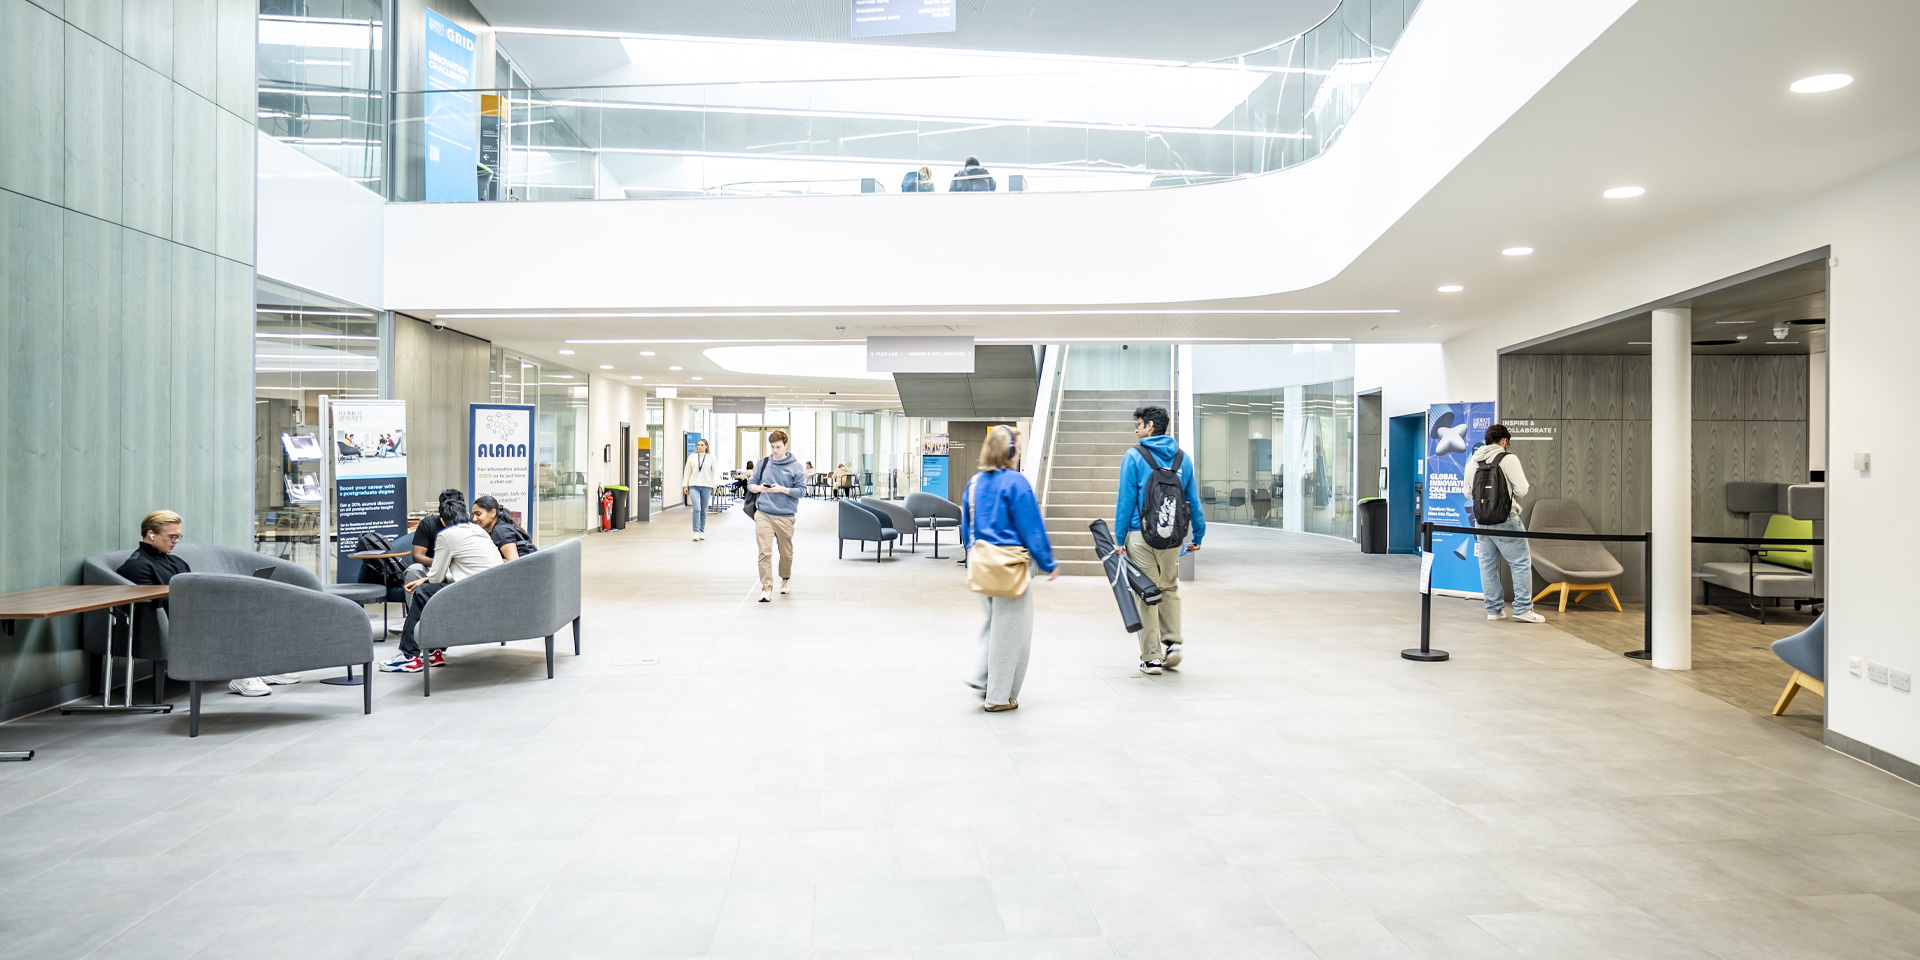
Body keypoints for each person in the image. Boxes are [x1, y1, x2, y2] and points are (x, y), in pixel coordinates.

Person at [117, 510, 297, 697]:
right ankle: (241, 674)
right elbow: (151, 605)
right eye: (171, 536)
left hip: (193, 614)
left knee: (249, 607)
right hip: (176, 622)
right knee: (234, 616)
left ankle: (260, 666)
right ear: (151, 534)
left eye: (178, 536)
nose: (176, 541)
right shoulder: (137, 566)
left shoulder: (176, 561)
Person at [960, 426, 1057, 711]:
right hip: (1010, 568)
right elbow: (1031, 527)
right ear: (1010, 451)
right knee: (1013, 635)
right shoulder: (1017, 482)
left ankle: (981, 676)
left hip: (981, 564)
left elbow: (966, 527)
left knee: (994, 625)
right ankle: (998, 697)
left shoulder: (975, 482)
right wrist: (1048, 561)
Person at [1114, 405, 1206, 675]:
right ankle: (1174, 644)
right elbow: (1193, 501)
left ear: (1150, 426)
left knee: (1147, 593)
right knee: (1168, 588)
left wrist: (1119, 538)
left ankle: (1152, 657)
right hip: (1172, 537)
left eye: (1139, 424)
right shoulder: (1182, 459)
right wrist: (1198, 533)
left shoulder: (1134, 456)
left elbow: (1125, 500)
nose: (1136, 429)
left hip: (1140, 535)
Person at [382, 490, 503, 673]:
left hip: (472, 591)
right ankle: (432, 650)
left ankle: (409, 656)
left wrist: (426, 581)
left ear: (442, 521)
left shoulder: (446, 535)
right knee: (429, 589)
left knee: (423, 593)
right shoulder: (479, 531)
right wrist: (425, 578)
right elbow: (467, 570)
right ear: (468, 515)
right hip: (491, 589)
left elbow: (436, 577)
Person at [1470, 424, 1544, 623]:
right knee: (1520, 563)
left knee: (1486, 566)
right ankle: (1522, 609)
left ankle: (1494, 610)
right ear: (1504, 441)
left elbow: (1468, 492)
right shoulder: (1508, 458)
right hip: (1506, 519)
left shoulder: (1474, 460)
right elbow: (1522, 490)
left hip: (1482, 520)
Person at [747, 430, 806, 602]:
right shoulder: (763, 463)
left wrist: (782, 489)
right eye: (772, 447)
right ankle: (766, 587)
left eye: (778, 447)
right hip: (763, 513)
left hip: (785, 516)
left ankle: (785, 578)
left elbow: (802, 491)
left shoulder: (795, 467)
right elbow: (751, 484)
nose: (774, 450)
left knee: (786, 553)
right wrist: (759, 488)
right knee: (764, 552)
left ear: (785, 445)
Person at [403, 488, 465, 583]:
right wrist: (442, 563)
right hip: (432, 566)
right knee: (414, 570)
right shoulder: (428, 524)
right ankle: (414, 598)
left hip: (461, 568)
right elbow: (417, 556)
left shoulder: (470, 524)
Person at [472, 495, 534, 561]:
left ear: (493, 512)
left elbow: (513, 562)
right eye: (473, 515)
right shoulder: (501, 527)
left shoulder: (500, 531)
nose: (474, 519)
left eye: (478, 514)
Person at [683, 439, 718, 540]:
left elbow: (715, 471)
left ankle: (702, 531)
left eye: (702, 445)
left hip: (706, 486)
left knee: (703, 510)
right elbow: (687, 472)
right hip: (694, 485)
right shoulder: (692, 457)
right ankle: (696, 532)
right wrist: (685, 485)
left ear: (706, 446)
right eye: (698, 445)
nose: (700, 447)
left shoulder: (711, 458)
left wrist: (715, 482)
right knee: (696, 509)